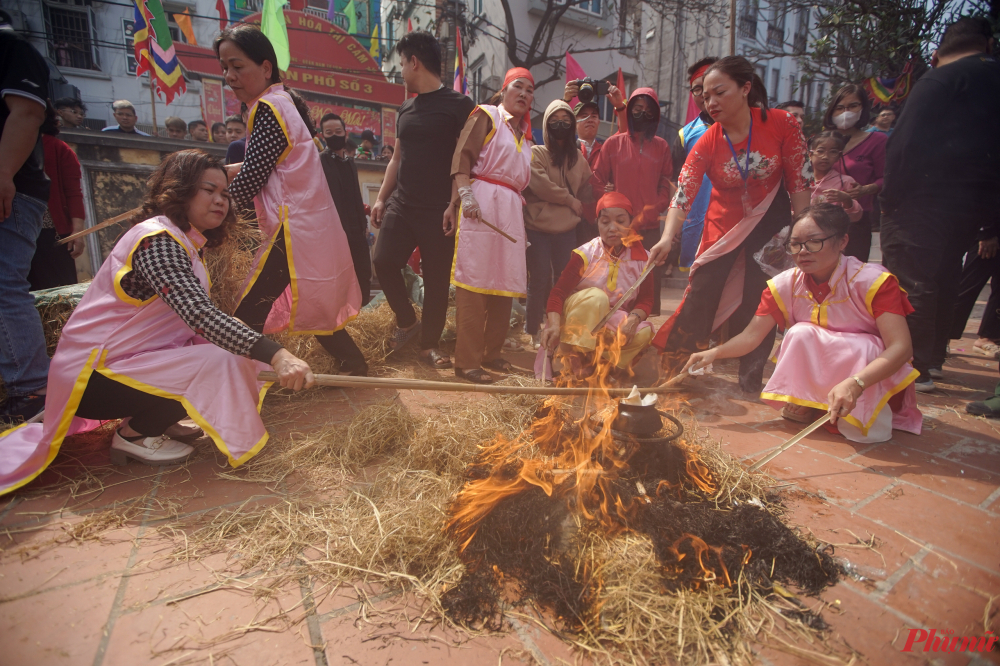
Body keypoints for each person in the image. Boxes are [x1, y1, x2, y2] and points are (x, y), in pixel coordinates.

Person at [0, 150, 318, 494]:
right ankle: (134, 435)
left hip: (127, 364)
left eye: (225, 194)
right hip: (93, 376)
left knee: (223, 353)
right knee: (223, 357)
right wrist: (277, 355)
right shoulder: (157, 242)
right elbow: (200, 315)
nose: (220, 200)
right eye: (208, 190)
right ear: (179, 191)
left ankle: (151, 421)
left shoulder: (185, 241)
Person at [683, 204, 920, 443]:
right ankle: (810, 401)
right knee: (799, 333)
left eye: (813, 242)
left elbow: (901, 348)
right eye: (795, 244)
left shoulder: (873, 282)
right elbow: (752, 336)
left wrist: (856, 383)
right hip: (832, 369)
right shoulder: (785, 284)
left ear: (842, 241)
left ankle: (855, 406)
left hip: (867, 374)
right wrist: (714, 353)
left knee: (863, 346)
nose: (802, 252)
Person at [648, 56, 811, 392]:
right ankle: (674, 374)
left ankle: (749, 380)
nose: (710, 103)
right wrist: (667, 237)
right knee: (701, 296)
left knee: (760, 298)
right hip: (723, 228)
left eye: (719, 93)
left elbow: (800, 182)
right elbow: (684, 193)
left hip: (772, 227)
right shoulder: (708, 140)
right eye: (705, 97)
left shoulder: (783, 124)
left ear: (745, 88)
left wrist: (802, 230)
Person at [215, 25, 365, 375]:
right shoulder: (284, 101)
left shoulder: (267, 108)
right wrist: (217, 174)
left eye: (237, 66)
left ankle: (237, 384)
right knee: (316, 305)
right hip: (306, 224)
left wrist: (216, 215)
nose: (229, 76)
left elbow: (254, 174)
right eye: (224, 68)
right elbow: (271, 161)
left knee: (249, 311)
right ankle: (355, 365)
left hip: (292, 226)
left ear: (265, 67)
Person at [880, 16, 1000, 393]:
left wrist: (890, 198)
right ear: (989, 45)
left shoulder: (940, 80)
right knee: (946, 274)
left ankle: (911, 367)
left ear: (936, 54)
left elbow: (903, 143)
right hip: (971, 204)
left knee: (910, 281)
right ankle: (933, 359)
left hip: (922, 200)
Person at [370, 32, 476, 370]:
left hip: (439, 210)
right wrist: (381, 199)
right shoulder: (405, 108)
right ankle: (407, 321)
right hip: (402, 204)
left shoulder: (461, 106)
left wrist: (454, 203)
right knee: (383, 260)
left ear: (414, 61)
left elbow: (467, 161)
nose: (401, 71)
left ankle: (428, 345)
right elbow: (396, 160)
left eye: (401, 64)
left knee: (436, 279)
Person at [448, 68, 534, 384]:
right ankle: (466, 362)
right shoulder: (486, 115)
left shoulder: (527, 136)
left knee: (505, 283)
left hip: (511, 208)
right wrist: (464, 195)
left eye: (530, 91)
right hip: (481, 203)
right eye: (519, 87)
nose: (525, 95)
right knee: (475, 281)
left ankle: (491, 354)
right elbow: (462, 159)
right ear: (504, 89)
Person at [539, 192, 654, 377]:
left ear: (630, 223)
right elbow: (558, 293)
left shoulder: (644, 259)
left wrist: (632, 320)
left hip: (611, 319)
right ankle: (570, 357)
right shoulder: (585, 254)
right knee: (596, 298)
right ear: (597, 224)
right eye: (605, 221)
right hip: (578, 318)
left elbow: (646, 299)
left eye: (620, 221)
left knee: (644, 332)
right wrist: (552, 324)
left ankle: (602, 364)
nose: (612, 228)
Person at [0, 15, 51, 421]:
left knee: (4, 284)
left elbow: (26, 112)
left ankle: (32, 391)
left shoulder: (13, 50)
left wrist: (3, 174)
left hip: (13, 191)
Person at [592, 87, 673, 316]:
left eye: (648, 111)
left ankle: (646, 325)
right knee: (615, 276)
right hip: (618, 226)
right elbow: (597, 179)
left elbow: (665, 180)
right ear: (629, 111)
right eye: (637, 109)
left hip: (648, 226)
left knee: (649, 277)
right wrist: (608, 207)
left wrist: (658, 204)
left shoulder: (662, 146)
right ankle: (612, 325)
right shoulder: (613, 144)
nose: (642, 114)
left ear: (655, 115)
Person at [523, 99, 594, 347]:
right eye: (554, 120)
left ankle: (561, 329)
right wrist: (569, 201)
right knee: (540, 278)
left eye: (565, 120)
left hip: (567, 230)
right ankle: (533, 329)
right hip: (538, 227)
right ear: (545, 125)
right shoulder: (537, 153)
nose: (560, 125)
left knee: (566, 280)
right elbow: (539, 184)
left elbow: (587, 189)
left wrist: (595, 197)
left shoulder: (578, 159)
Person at [821, 84, 885, 262]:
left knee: (851, 275)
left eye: (853, 106)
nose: (846, 112)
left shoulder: (877, 140)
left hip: (856, 221)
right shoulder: (821, 141)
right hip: (821, 218)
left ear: (863, 109)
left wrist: (865, 190)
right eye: (840, 107)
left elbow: (887, 178)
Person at [28, 105, 85, 290]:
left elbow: (73, 192)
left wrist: (77, 232)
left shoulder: (58, 148)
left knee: (59, 291)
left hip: (50, 231)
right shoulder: (8, 145)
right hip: (14, 228)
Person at [319, 112, 373, 306]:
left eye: (338, 131)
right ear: (322, 136)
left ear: (346, 133)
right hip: (333, 232)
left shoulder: (350, 162)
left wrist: (363, 225)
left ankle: (363, 314)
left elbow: (357, 197)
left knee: (363, 273)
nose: (334, 135)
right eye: (329, 132)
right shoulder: (320, 162)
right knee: (339, 277)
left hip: (356, 230)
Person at [671, 57, 718, 273]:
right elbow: (679, 184)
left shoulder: (746, 130)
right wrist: (675, 227)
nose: (704, 96)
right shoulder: (685, 134)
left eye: (709, 87)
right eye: (697, 90)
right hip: (695, 221)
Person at [949, 230, 1000, 360]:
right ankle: (944, 338)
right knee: (967, 287)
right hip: (989, 232)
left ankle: (988, 337)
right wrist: (987, 232)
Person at [809, 131, 863, 223]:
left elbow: (855, 217)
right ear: (810, 155)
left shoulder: (846, 181)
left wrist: (846, 199)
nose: (825, 156)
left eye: (832, 152)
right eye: (820, 151)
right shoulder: (800, 180)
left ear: (839, 156)